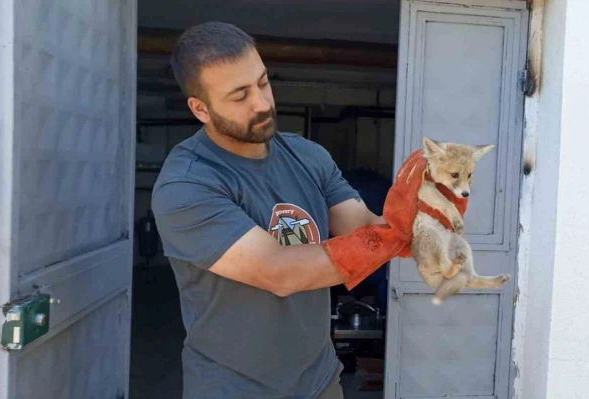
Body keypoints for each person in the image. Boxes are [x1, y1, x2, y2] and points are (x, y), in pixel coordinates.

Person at [151, 21, 430, 399]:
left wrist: (423, 217)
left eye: (263, 82)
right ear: (201, 109)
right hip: (233, 388)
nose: (263, 103)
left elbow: (361, 226)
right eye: (239, 96)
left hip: (320, 381)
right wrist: (390, 239)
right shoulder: (187, 184)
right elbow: (279, 272)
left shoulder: (307, 155)